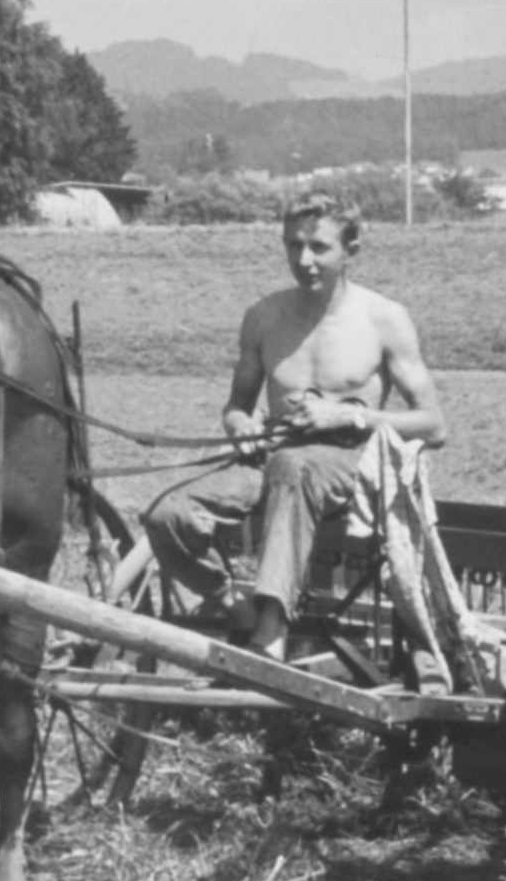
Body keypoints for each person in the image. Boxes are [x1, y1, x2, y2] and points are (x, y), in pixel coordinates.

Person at [142, 193, 448, 660]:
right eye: (293, 246)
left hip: (353, 463)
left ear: (352, 249)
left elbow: (433, 425)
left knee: (292, 466)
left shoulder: (384, 319)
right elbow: (236, 406)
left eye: (319, 248)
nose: (304, 260)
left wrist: (349, 414)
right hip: (274, 460)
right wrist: (239, 424)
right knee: (167, 514)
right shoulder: (263, 318)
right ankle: (233, 606)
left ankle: (271, 631)